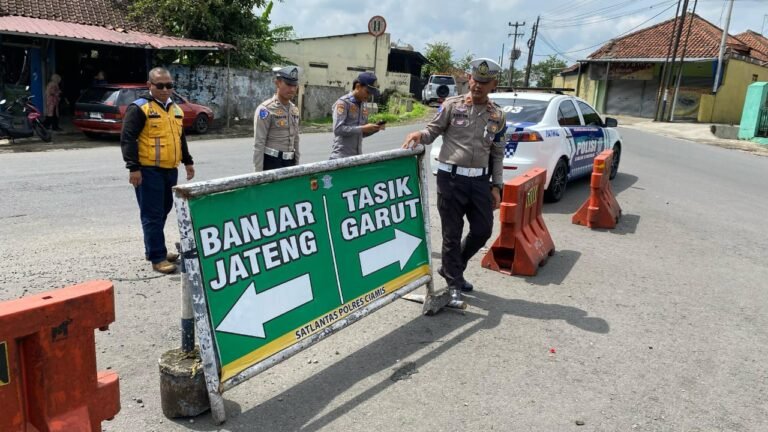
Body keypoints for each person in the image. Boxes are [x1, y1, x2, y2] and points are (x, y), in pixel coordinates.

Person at [402, 58, 506, 301]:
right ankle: (454, 283)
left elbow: (498, 153)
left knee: (482, 230)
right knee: (452, 232)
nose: (477, 86)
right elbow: (432, 131)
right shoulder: (451, 105)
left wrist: (496, 186)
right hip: (451, 179)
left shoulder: (498, 115)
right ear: (469, 79)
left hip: (480, 181)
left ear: (494, 84)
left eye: (484, 82)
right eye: (475, 80)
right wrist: (419, 134)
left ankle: (452, 267)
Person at [120, 67, 195, 274]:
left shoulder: (175, 108)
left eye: (169, 85)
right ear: (150, 85)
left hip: (170, 170)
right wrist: (133, 168)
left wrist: (187, 161)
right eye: (160, 85)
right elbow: (127, 139)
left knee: (164, 209)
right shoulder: (139, 108)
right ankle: (157, 257)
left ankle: (153, 248)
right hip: (148, 170)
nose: (165, 89)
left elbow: (180, 138)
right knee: (152, 214)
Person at [253, 66, 302, 171]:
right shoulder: (265, 109)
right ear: (278, 83)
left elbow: (296, 139)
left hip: (290, 162)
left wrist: (297, 165)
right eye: (288, 84)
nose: (292, 89)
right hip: (272, 162)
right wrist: (258, 174)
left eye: (295, 85)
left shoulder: (294, 110)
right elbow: (259, 143)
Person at [329, 72, 385, 159]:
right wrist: (363, 128)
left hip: (357, 157)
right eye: (367, 92)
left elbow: (360, 134)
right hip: (340, 157)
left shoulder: (363, 105)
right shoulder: (343, 103)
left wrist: (374, 129)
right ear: (358, 86)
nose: (369, 96)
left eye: (371, 94)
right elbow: (338, 129)